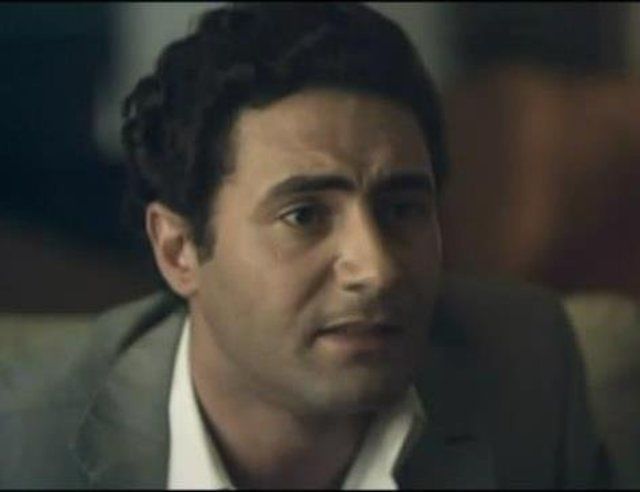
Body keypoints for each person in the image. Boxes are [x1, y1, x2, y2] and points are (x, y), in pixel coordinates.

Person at [0, 3, 608, 489]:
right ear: (179, 251)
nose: (377, 269)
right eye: (304, 215)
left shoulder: (527, 366)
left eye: (402, 208)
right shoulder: (27, 445)